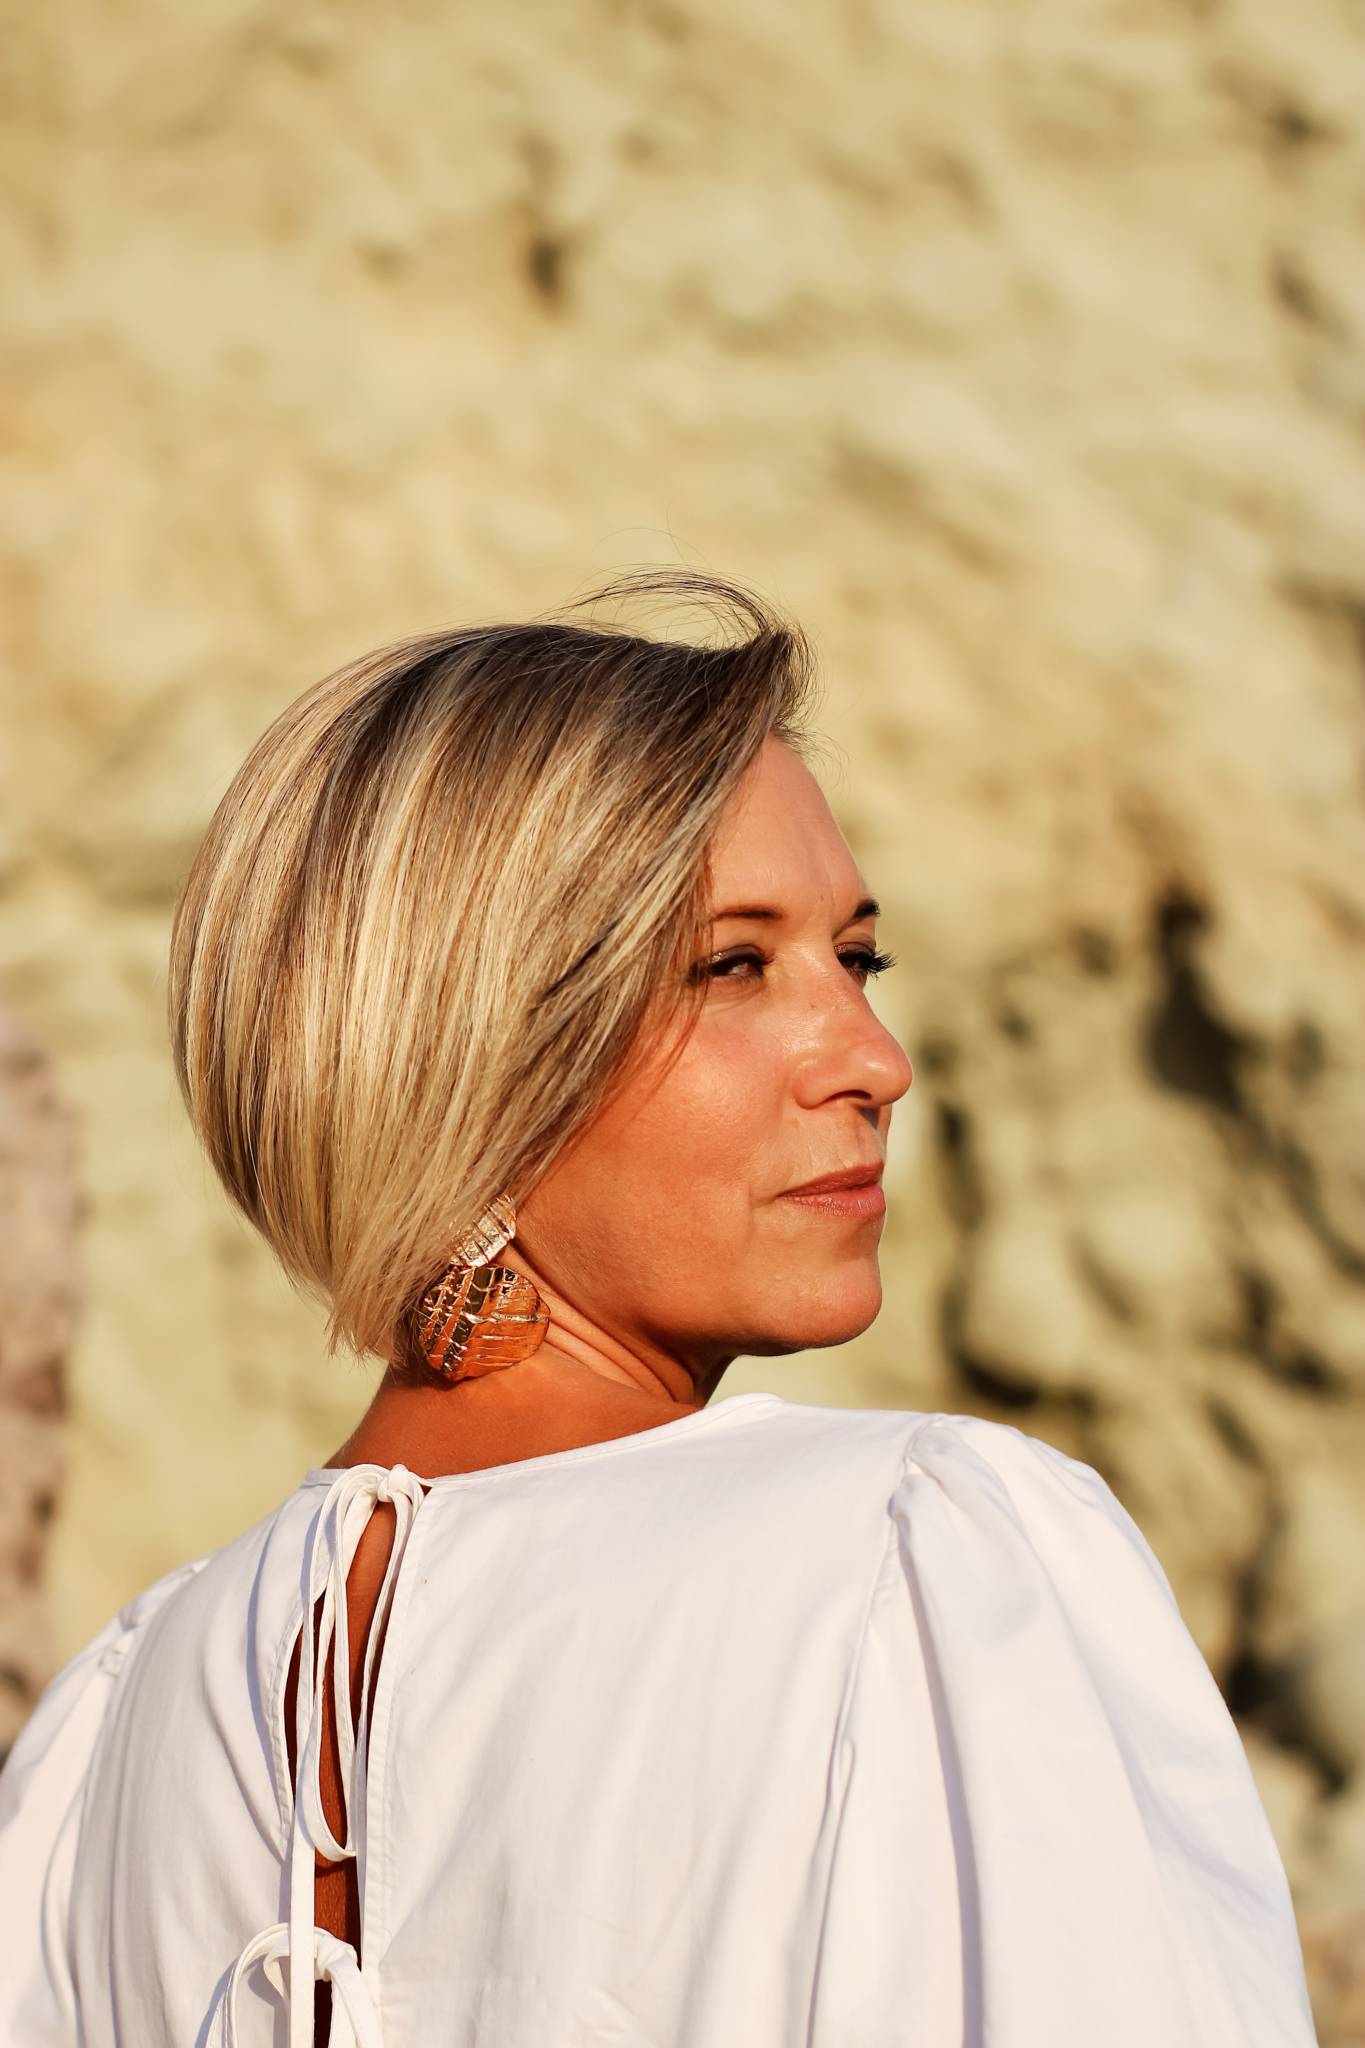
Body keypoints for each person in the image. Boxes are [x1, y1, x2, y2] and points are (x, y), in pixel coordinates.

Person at [0, 570, 1319, 2046]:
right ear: (473, 1064)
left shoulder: (105, 1744)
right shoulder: (912, 1564)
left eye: (857, 958)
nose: (871, 1056)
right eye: (734, 967)